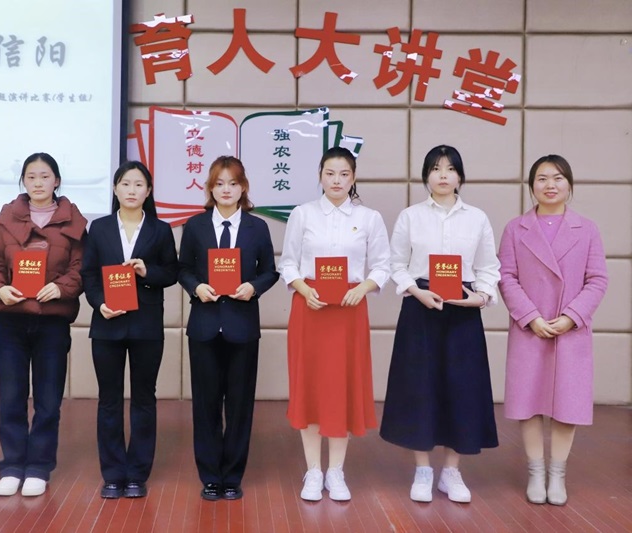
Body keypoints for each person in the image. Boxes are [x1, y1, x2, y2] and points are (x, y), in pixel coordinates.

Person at [380, 145, 500, 504]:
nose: (443, 175)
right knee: (419, 387)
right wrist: (416, 292)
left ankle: (451, 472)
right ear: (426, 176)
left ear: (460, 176)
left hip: (463, 309)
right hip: (421, 306)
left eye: (450, 168)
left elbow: (488, 266)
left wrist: (481, 296)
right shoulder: (411, 217)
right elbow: (396, 264)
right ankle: (422, 470)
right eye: (435, 168)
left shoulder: (477, 218)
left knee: (461, 389)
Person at [278, 146, 390, 502]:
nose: (337, 180)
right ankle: (313, 470)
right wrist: (302, 288)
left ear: (353, 177)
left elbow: (383, 266)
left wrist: (363, 288)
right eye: (330, 173)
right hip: (310, 308)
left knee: (342, 387)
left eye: (344, 174)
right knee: (310, 387)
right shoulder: (303, 214)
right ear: (320, 176)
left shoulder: (369, 218)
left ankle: (336, 472)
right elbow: (288, 262)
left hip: (349, 310)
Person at [498, 155, 607, 506]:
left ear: (569, 185)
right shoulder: (515, 229)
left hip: (569, 331)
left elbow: (597, 279)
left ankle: (557, 474)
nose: (550, 185)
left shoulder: (587, 229)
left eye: (558, 178)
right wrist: (530, 316)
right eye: (542, 178)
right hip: (531, 328)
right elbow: (506, 277)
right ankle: (536, 471)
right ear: (531, 186)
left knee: (566, 404)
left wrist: (572, 316)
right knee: (529, 401)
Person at [0, 152, 87, 497]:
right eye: (31, 176)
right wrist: (0, 288)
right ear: (23, 181)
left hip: (52, 323)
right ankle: (12, 466)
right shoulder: (5, 219)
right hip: (11, 321)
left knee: (47, 400)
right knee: (11, 397)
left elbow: (80, 268)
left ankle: (39, 467)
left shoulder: (74, 221)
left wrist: (61, 288)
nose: (38, 182)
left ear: (56, 181)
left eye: (45, 176)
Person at [178, 155, 279, 501]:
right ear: (210, 188)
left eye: (233, 183)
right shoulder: (195, 226)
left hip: (242, 325)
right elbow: (182, 268)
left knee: (239, 405)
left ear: (243, 188)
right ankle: (210, 476)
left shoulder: (257, 227)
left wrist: (254, 287)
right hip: (204, 326)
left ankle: (232, 476)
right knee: (205, 405)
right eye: (219, 183)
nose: (226, 190)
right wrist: (196, 287)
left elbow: (270, 271)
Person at [81, 161, 178, 499]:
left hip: (146, 325)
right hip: (107, 323)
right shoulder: (99, 228)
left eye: (139, 184)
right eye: (125, 184)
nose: (132, 190)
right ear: (115, 189)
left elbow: (172, 273)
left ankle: (137, 473)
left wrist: (147, 271)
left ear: (148, 191)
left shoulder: (160, 230)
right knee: (109, 400)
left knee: (143, 399)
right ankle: (112, 473)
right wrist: (99, 304)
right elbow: (89, 274)